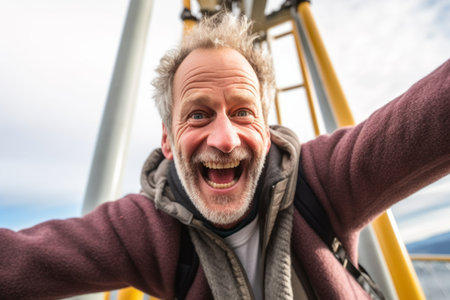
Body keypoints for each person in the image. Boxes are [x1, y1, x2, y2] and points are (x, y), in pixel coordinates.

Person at [1, 12, 449, 300]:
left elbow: (427, 119)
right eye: (198, 114)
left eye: (242, 112)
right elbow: (21, 260)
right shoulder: (148, 228)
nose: (225, 138)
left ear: (266, 128)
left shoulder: (323, 181)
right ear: (167, 140)